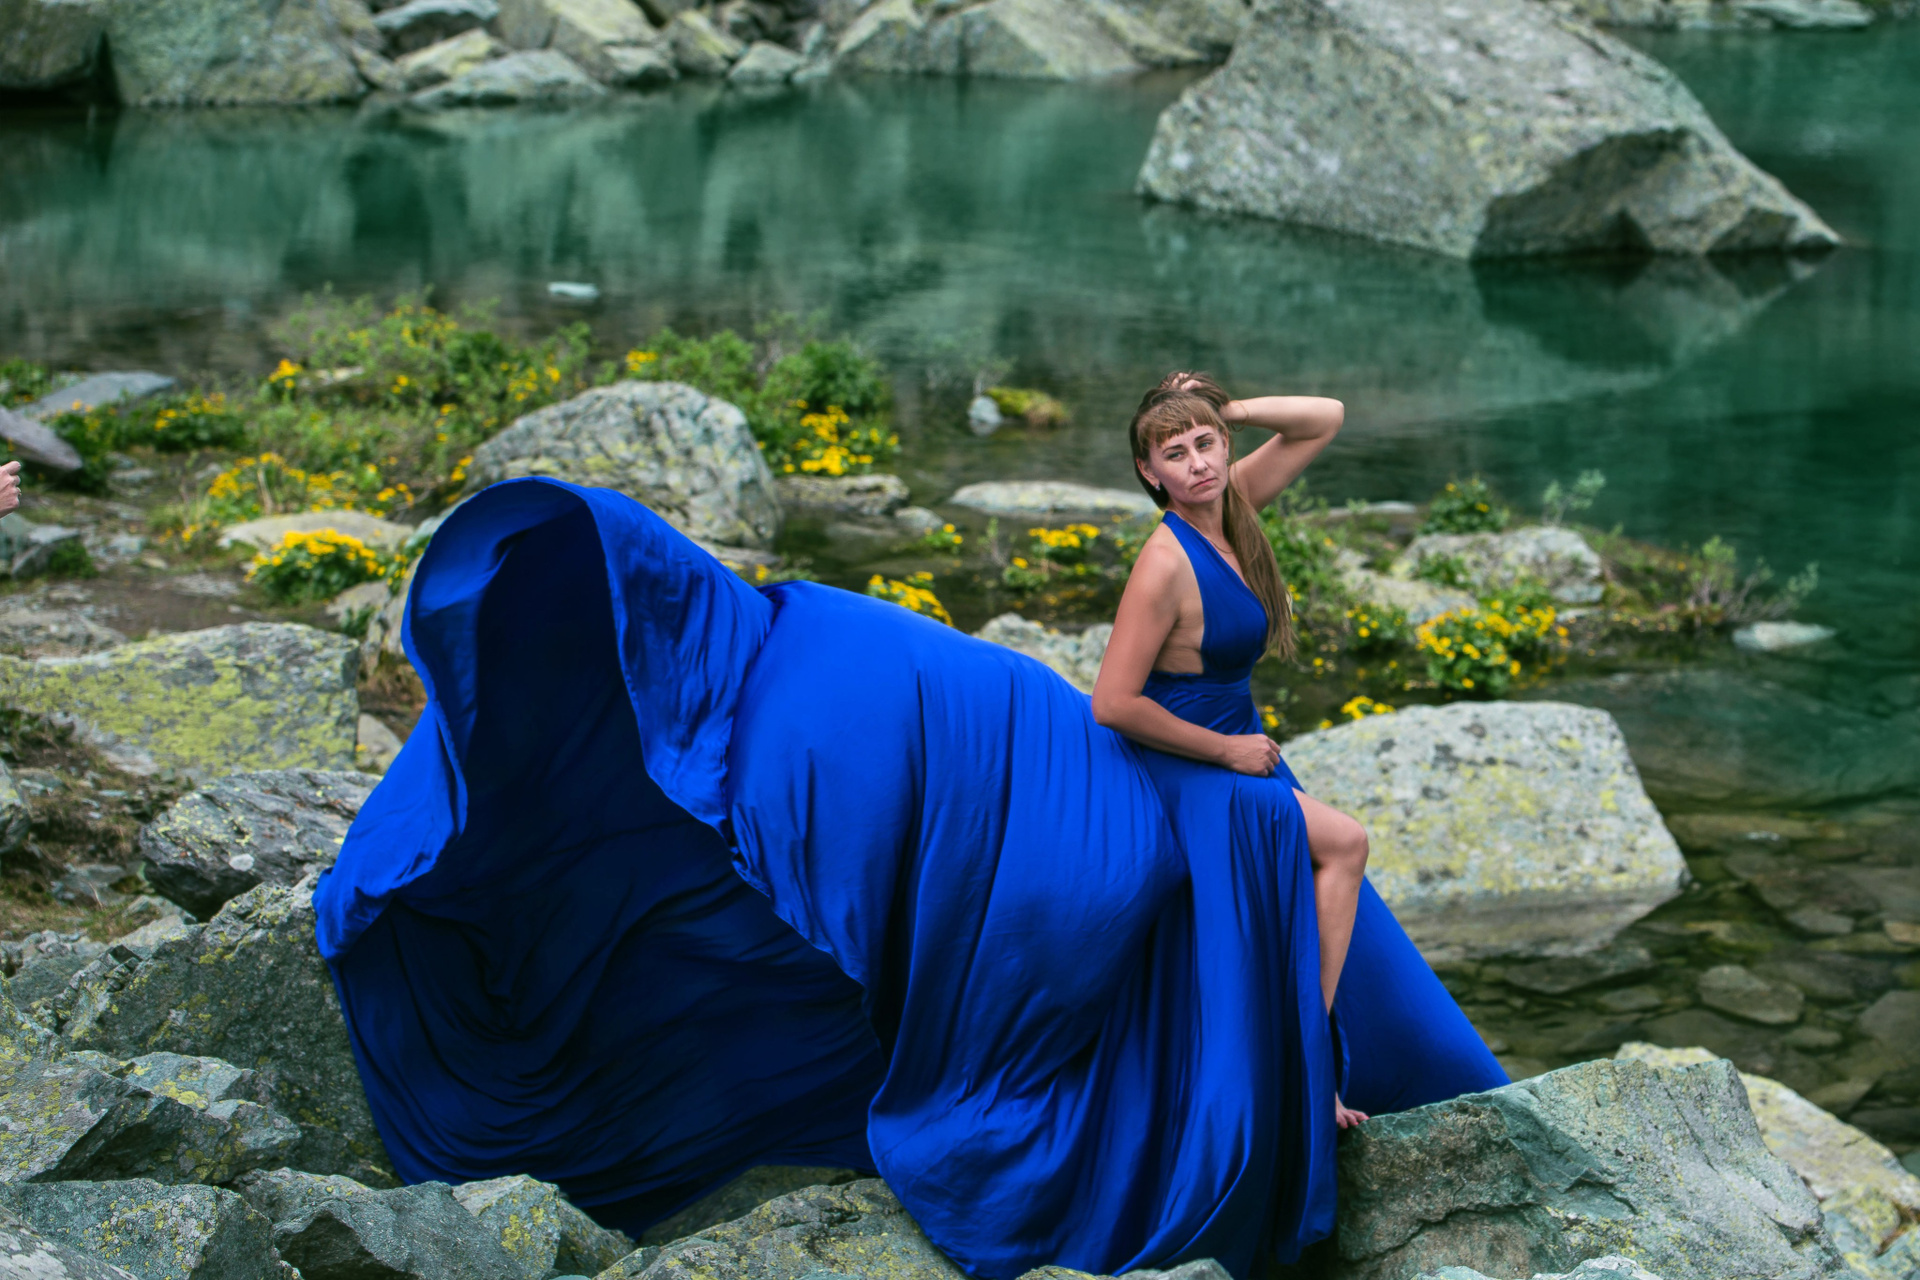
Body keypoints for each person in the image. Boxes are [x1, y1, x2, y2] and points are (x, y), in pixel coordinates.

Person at [319, 466, 1504, 1279]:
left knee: (1203, 910)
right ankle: (1369, 1082)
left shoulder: (794, 682)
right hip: (1065, 784)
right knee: (1228, 896)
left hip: (1060, 802)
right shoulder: (804, 627)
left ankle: (1334, 1081)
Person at [1092, 372, 1368, 1129]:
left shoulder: (1231, 503)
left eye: (1206, 443)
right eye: (1175, 454)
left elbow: (1325, 416)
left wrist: (1229, 408)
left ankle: (1303, 1060)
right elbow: (1112, 702)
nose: (1198, 464)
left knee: (1305, 892)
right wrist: (1223, 752)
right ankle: (1305, 1068)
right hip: (1188, 760)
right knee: (1345, 843)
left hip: (1235, 742)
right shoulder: (1165, 561)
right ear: (1150, 472)